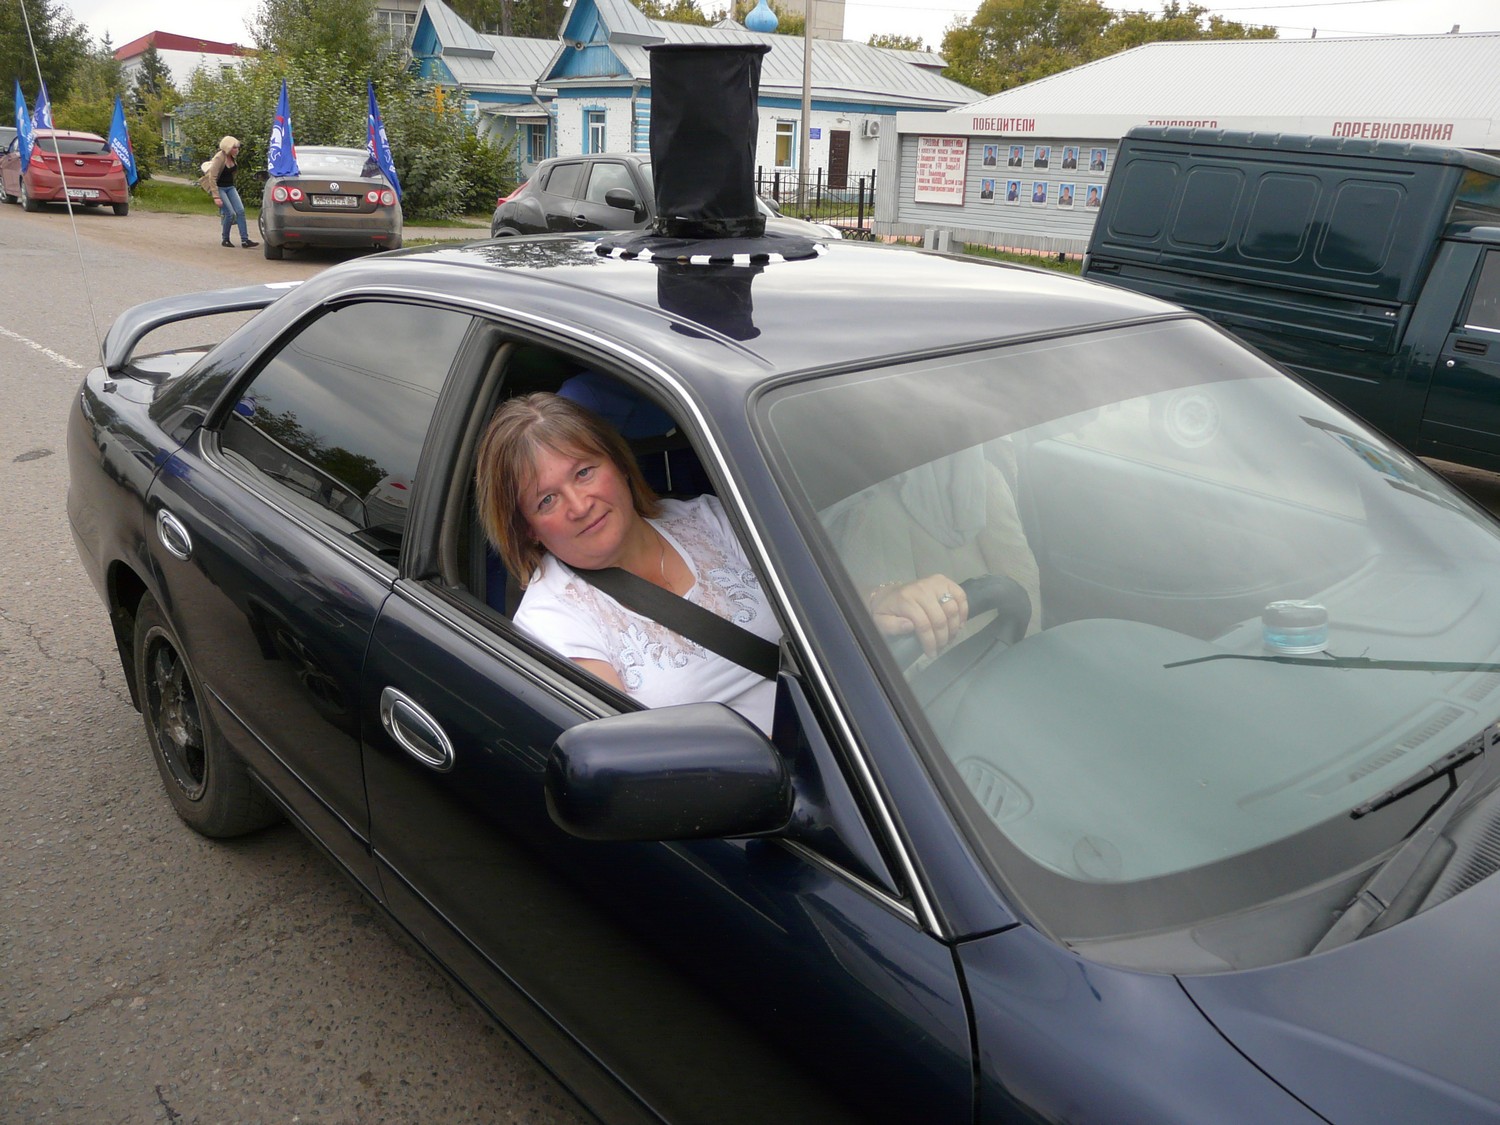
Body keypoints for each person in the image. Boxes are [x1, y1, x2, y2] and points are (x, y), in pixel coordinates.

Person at [475, 392, 969, 732]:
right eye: (546, 500)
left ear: (619, 465)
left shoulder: (711, 519)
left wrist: (888, 599)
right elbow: (634, 756)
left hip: (858, 742)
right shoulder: (551, 621)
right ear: (527, 527)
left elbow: (819, 602)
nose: (579, 505)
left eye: (584, 472)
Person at [197, 136, 257, 249]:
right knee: (230, 213)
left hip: (230, 187)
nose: (237, 150)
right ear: (228, 147)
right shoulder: (219, 157)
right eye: (234, 148)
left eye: (237, 147)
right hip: (220, 188)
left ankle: (245, 240)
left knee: (240, 211)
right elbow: (212, 177)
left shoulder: (232, 157)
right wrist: (216, 196)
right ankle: (225, 239)